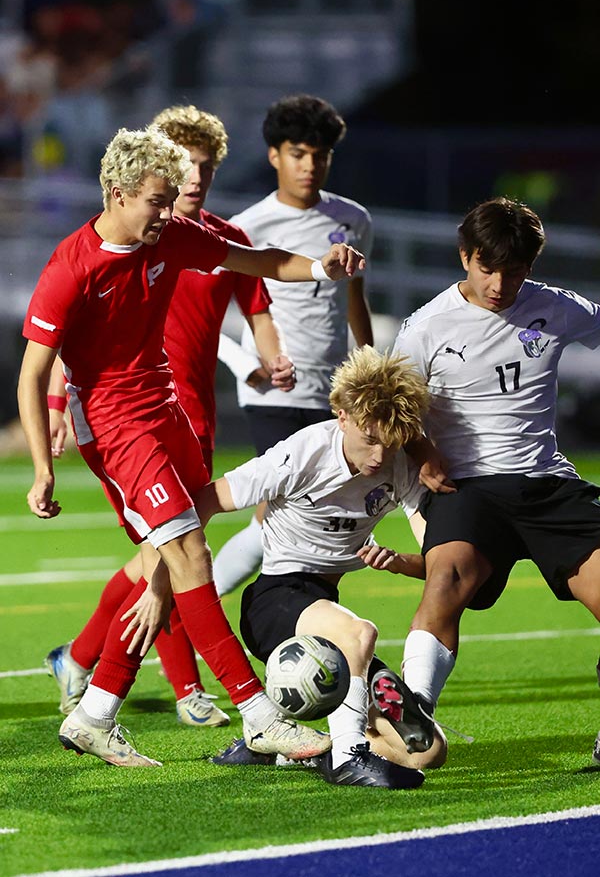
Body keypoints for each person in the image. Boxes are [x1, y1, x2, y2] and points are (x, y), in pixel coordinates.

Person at [18, 124, 364, 767]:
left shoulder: (170, 233)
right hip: (118, 427)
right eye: (157, 198)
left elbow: (257, 262)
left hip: (167, 407)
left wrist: (321, 265)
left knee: (166, 569)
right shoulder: (70, 266)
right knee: (188, 554)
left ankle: (94, 712)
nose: (169, 208)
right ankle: (258, 715)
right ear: (118, 193)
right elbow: (33, 372)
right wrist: (43, 467)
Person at [43, 104, 295, 730]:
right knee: (175, 555)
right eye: (183, 168)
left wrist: (269, 360)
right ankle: (199, 695)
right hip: (127, 425)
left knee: (166, 561)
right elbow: (68, 339)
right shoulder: (115, 243)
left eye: (204, 167)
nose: (194, 179)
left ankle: (83, 669)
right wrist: (55, 407)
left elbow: (257, 295)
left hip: (189, 417)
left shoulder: (208, 238)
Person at [375, 196, 600, 764]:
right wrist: (423, 448)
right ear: (464, 256)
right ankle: (414, 712)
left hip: (547, 484)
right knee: (447, 580)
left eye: (514, 270)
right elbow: (394, 410)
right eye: (486, 266)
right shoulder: (424, 327)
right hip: (468, 489)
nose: (499, 283)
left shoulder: (559, 308)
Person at [197, 346, 447, 789]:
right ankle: (348, 760)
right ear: (342, 416)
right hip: (274, 602)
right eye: (369, 440)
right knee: (359, 632)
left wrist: (399, 561)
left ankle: (297, 752)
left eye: (388, 444)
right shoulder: (303, 452)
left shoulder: (400, 467)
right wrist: (170, 573)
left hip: (324, 607)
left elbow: (438, 560)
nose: (377, 456)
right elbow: (207, 500)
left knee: (428, 749)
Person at [212, 93, 374, 597]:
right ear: (274, 156)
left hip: (335, 394)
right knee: (277, 518)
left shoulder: (354, 219)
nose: (310, 166)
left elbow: (355, 298)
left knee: (308, 523)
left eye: (320, 155)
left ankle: (191, 617)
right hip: (276, 392)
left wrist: (369, 369)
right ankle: (183, 618)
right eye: (298, 153)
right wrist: (249, 363)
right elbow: (208, 316)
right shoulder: (247, 227)